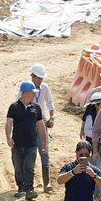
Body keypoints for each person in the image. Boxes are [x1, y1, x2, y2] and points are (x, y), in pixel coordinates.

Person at [5, 81, 46, 201]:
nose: (34, 95)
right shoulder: (14, 107)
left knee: (29, 166)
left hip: (32, 144)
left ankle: (29, 189)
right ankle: (20, 188)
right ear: (26, 93)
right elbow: (9, 123)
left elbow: (41, 125)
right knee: (18, 166)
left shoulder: (36, 108)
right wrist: (8, 137)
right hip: (17, 143)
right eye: (32, 93)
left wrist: (44, 142)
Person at [30, 63, 55, 191]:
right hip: (29, 125)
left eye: (41, 78)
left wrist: (52, 117)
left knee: (44, 151)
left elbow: (50, 103)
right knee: (31, 153)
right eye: (38, 78)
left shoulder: (45, 88)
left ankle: (47, 183)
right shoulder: (26, 88)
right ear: (33, 77)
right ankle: (31, 183)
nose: (40, 80)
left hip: (42, 123)